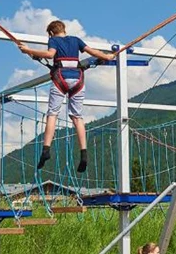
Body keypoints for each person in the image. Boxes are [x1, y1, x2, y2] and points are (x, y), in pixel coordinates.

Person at [18, 20, 115, 173]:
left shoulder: (53, 40)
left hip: (60, 79)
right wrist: (107, 57)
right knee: (77, 117)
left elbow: (50, 55)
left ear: (51, 33)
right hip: (78, 79)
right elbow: (93, 52)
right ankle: (84, 153)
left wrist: (29, 50)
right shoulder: (76, 40)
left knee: (52, 114)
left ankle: (46, 150)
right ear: (64, 29)